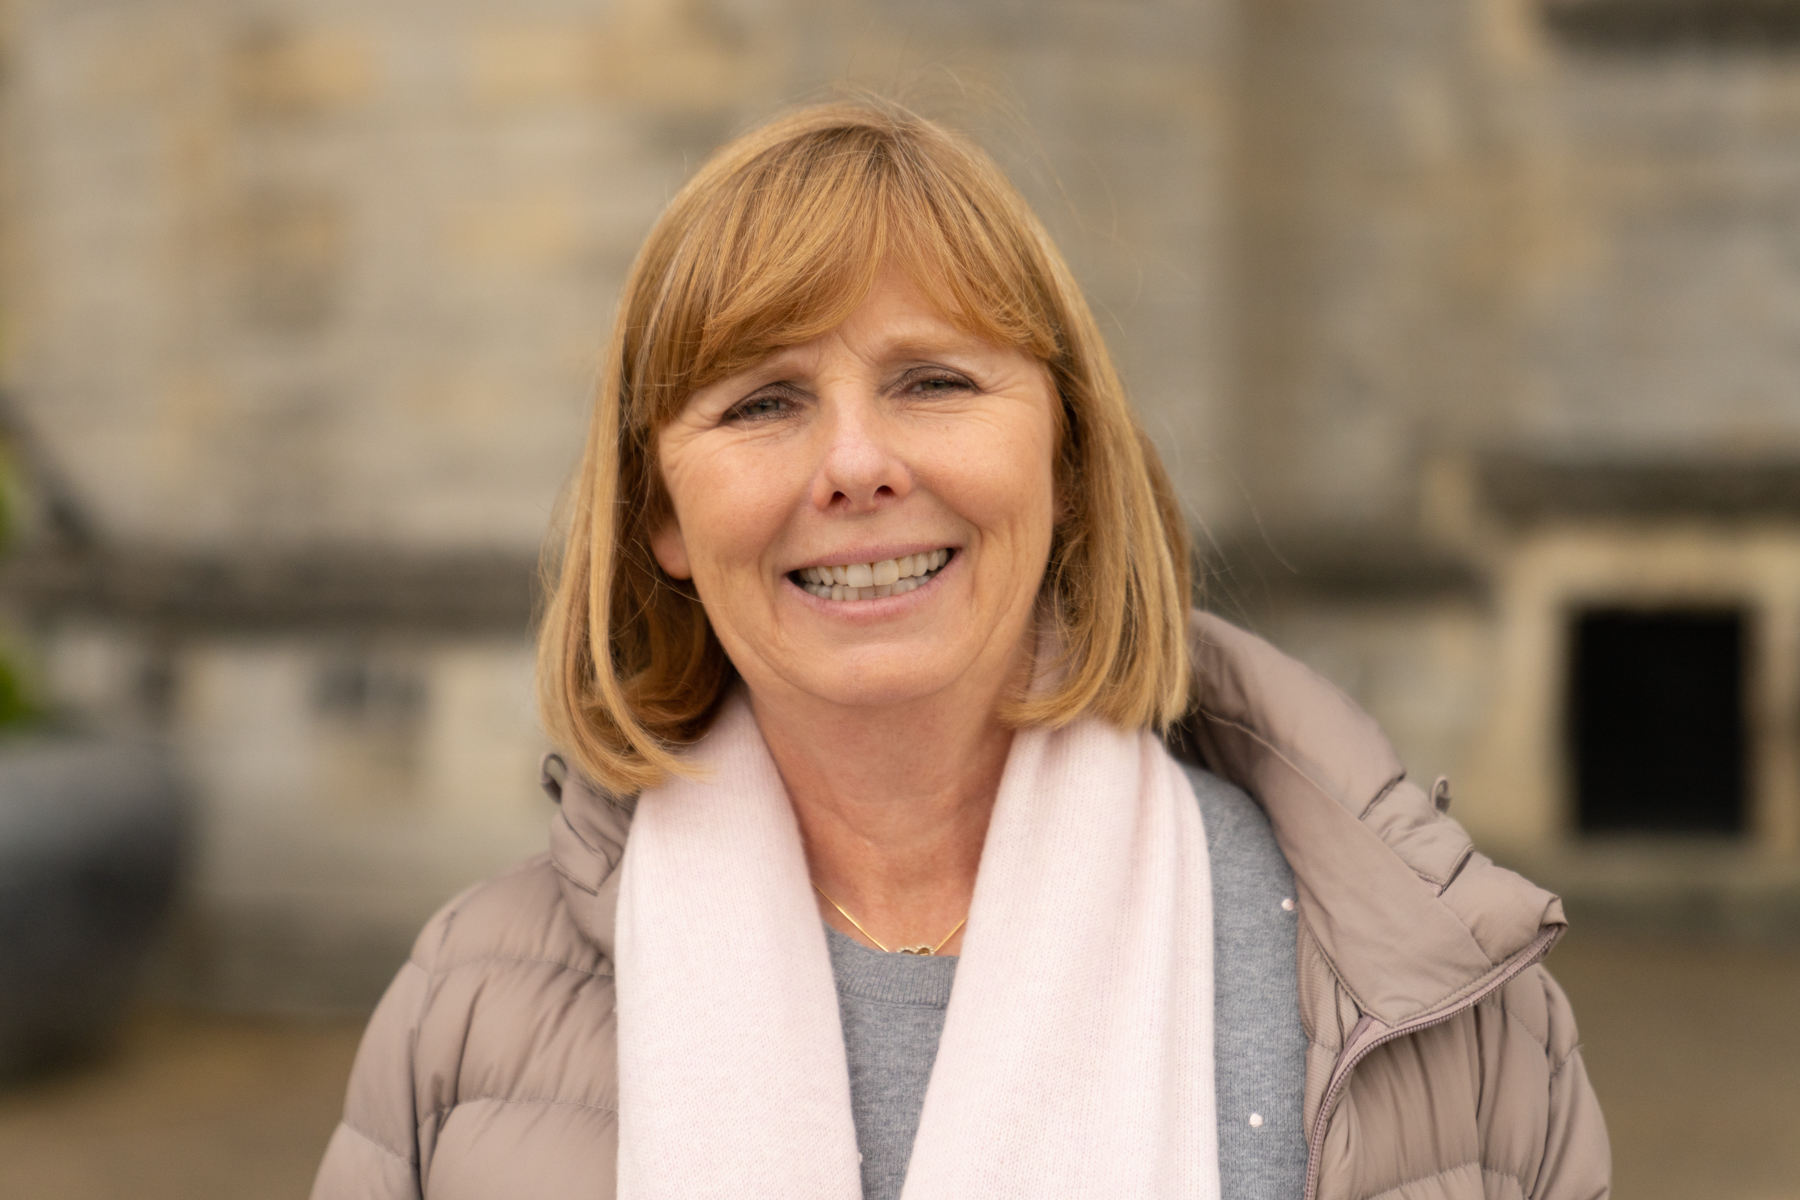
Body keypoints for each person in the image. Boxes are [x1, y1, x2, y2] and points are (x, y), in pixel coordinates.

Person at [311, 101, 1610, 1200]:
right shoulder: (466, 1018)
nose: (857, 466)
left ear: (1068, 455)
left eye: (933, 380)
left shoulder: (1440, 1015)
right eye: (763, 401)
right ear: (660, 513)